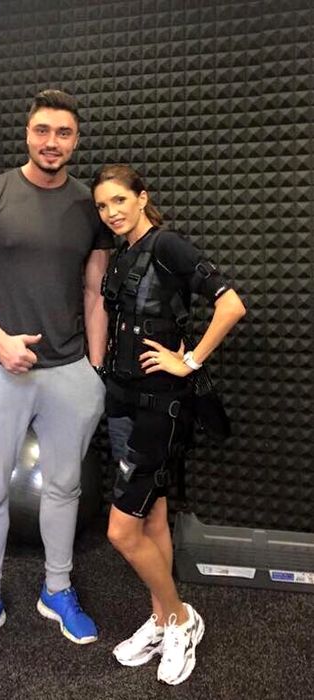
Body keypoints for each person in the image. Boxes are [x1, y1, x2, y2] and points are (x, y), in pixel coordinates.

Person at [0, 89, 112, 661]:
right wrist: (0, 341)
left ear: (76, 140)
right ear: (27, 133)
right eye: (43, 130)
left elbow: (95, 290)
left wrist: (94, 368)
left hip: (69, 371)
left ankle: (56, 589)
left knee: (65, 487)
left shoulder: (89, 206)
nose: (51, 142)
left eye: (63, 133)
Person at [91, 164, 246, 685]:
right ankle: (160, 619)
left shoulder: (168, 245)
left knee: (121, 530)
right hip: (123, 402)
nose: (111, 212)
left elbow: (231, 305)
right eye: (102, 205)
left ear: (142, 197)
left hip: (161, 406)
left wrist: (191, 360)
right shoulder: (122, 255)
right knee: (152, 518)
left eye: (119, 200)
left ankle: (181, 618)